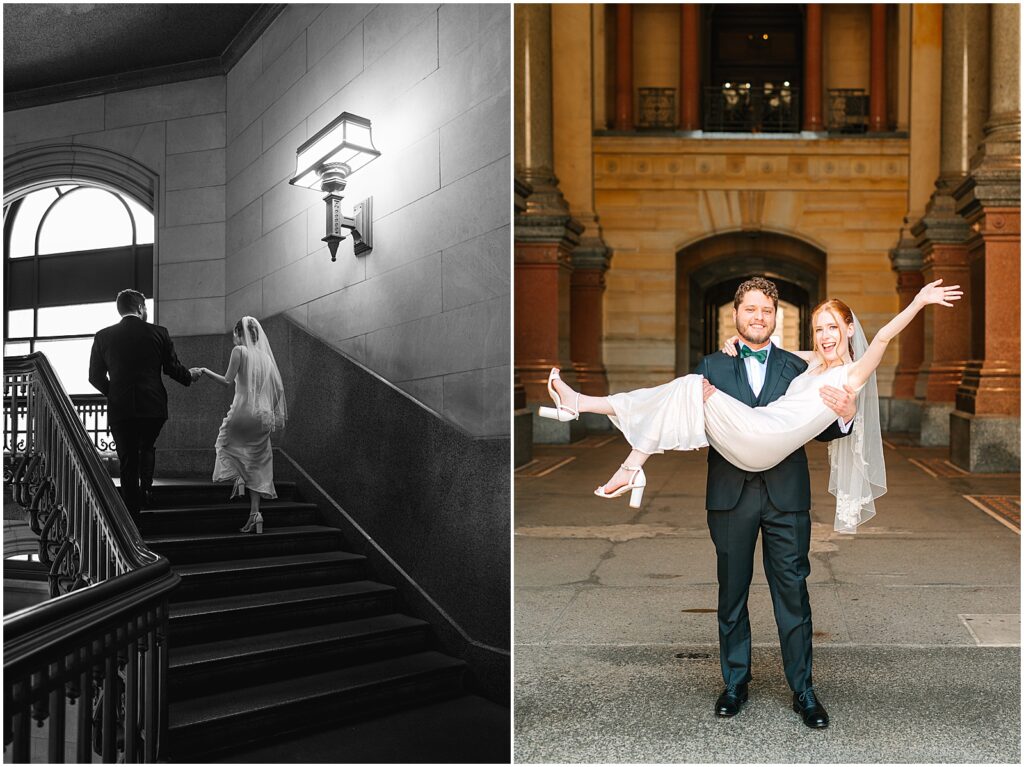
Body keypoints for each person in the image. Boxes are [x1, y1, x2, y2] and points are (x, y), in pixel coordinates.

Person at [540, 276, 961, 727]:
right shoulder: (772, 362)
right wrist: (737, 349)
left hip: (781, 485)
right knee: (731, 595)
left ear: (780, 317)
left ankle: (804, 691)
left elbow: (877, 343)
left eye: (834, 327)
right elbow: (790, 357)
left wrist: (851, 410)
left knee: (793, 596)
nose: (826, 336)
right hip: (732, 485)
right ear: (737, 314)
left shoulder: (818, 369)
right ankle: (734, 684)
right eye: (820, 328)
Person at [89, 289, 200, 525]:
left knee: (128, 458)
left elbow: (94, 377)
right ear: (140, 308)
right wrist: (189, 377)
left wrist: (115, 393)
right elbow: (172, 368)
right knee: (147, 445)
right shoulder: (158, 332)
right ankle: (146, 489)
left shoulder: (103, 336)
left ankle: (132, 514)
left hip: (121, 409)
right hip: (153, 405)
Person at [195, 316, 286, 534]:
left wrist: (205, 371)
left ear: (239, 333)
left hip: (242, 413)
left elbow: (227, 381)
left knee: (224, 445)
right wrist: (269, 410)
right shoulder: (265, 357)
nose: (233, 339)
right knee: (257, 462)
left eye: (234, 335)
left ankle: (240, 479)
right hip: (262, 416)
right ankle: (256, 513)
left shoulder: (240, 352)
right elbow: (279, 390)